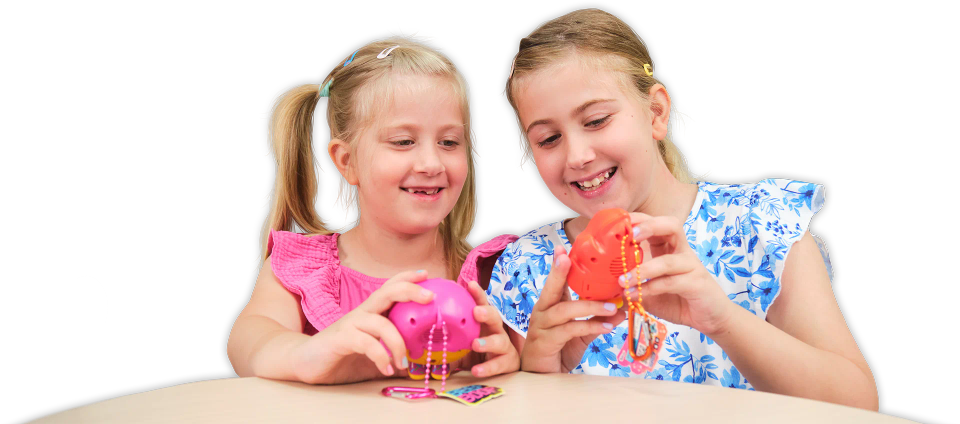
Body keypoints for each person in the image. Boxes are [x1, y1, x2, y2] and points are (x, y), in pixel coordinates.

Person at [485, 8, 878, 410]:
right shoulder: (528, 265)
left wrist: (722, 320)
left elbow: (859, 404)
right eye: (549, 139)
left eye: (597, 120)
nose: (578, 155)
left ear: (656, 113)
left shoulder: (760, 222)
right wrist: (542, 368)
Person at [227, 36, 520, 385]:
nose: (431, 162)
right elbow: (248, 342)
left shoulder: (495, 274)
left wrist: (511, 362)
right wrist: (310, 353)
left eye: (449, 142)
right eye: (403, 142)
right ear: (347, 162)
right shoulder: (303, 272)